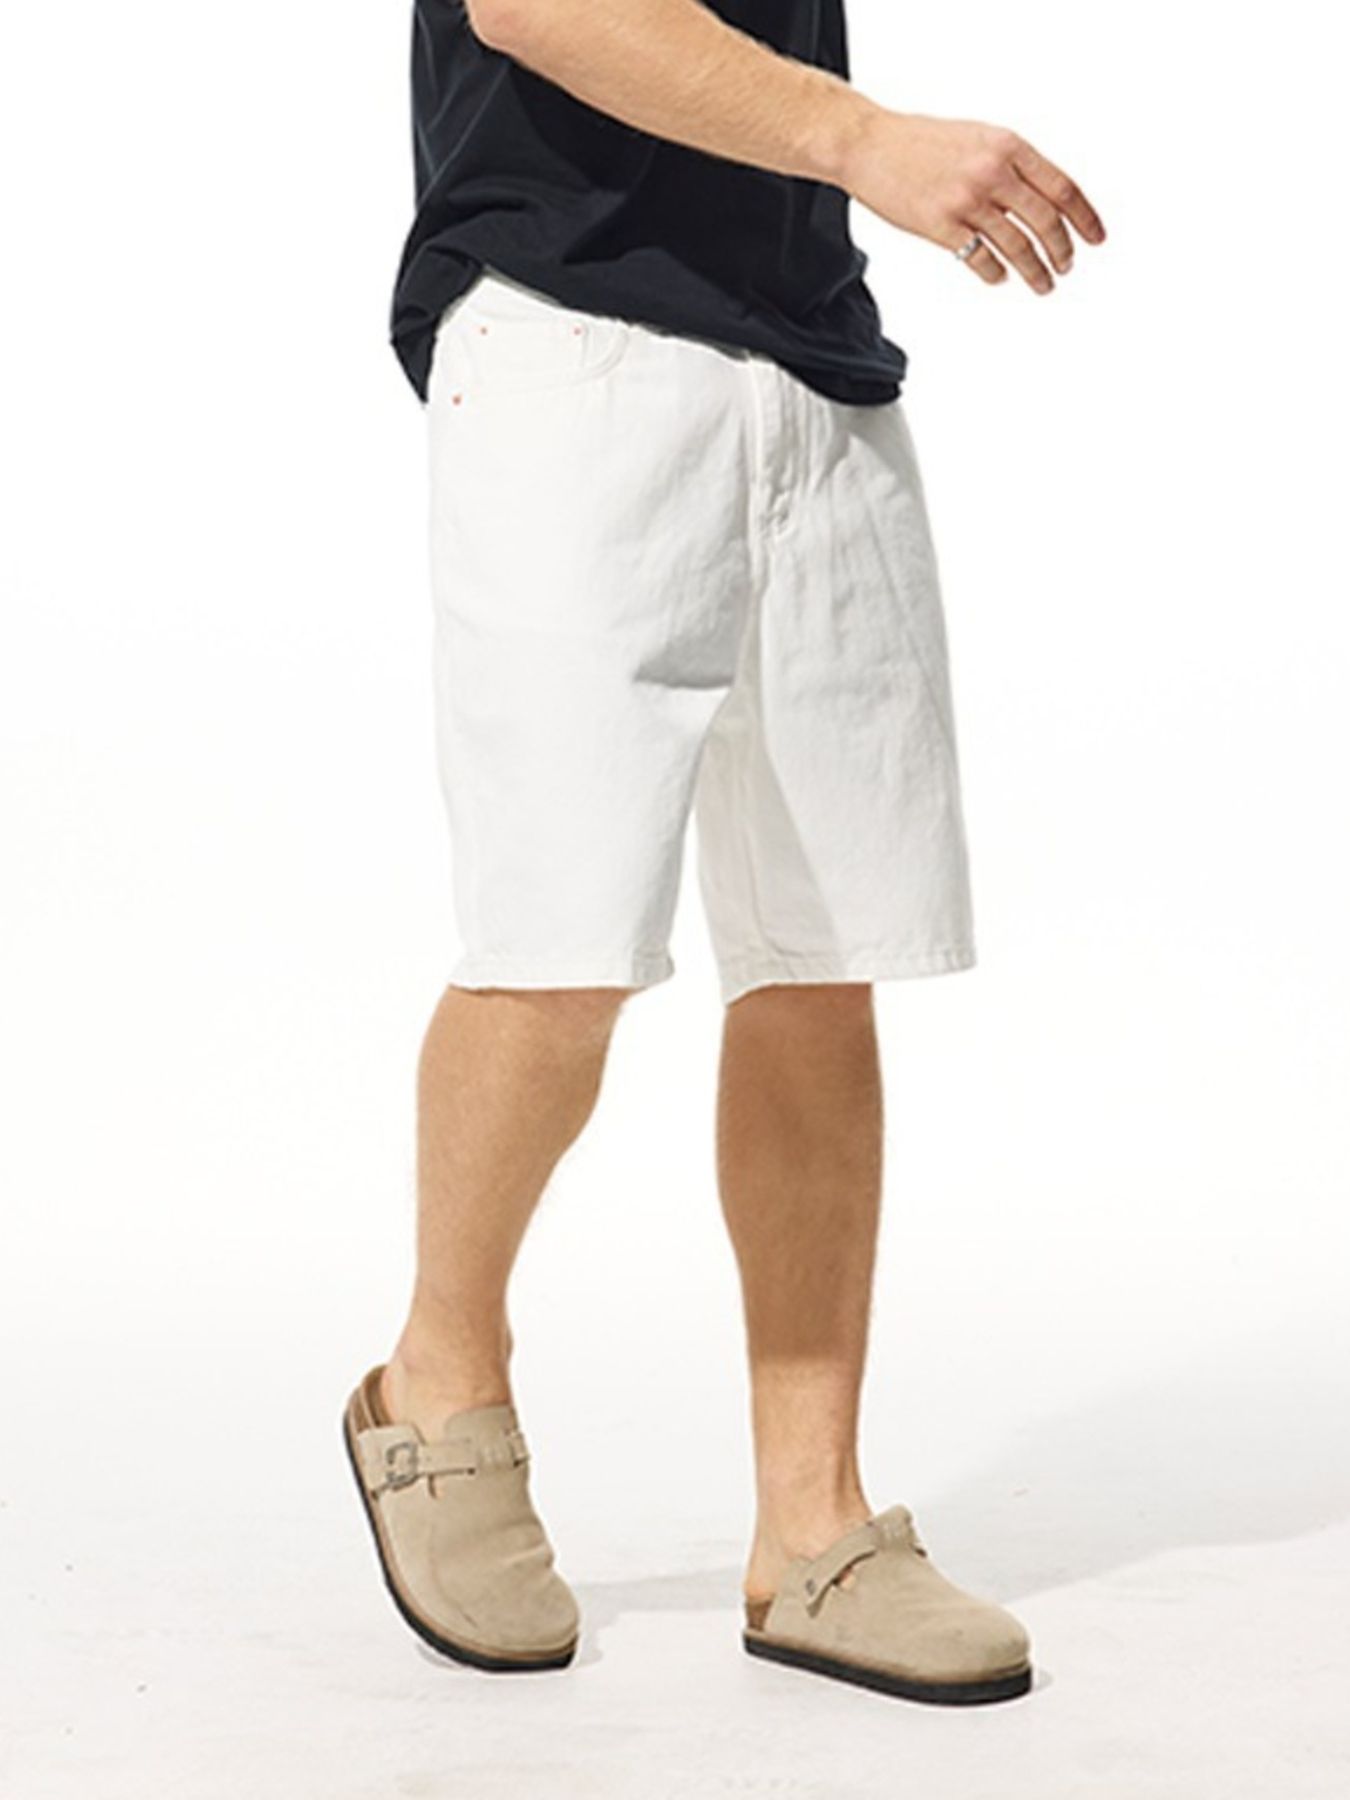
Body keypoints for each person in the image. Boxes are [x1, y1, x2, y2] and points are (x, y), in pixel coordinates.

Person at [343, 0, 1106, 1706]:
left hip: (812, 352)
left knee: (823, 962)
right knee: (560, 944)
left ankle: (812, 1529)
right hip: (567, 338)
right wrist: (867, 140)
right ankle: (438, 1383)